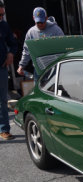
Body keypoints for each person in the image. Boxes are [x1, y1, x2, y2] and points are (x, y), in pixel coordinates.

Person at [17, 7, 64, 80]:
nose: (40, 24)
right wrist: (21, 66)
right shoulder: (31, 32)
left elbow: (63, 47)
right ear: (33, 18)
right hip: (39, 71)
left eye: (42, 22)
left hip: (55, 68)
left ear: (46, 18)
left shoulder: (56, 30)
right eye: (38, 22)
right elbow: (27, 51)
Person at [0, 2, 17, 140]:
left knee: (2, 100)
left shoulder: (4, 25)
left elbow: (12, 42)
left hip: (1, 68)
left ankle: (4, 129)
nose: (1, 17)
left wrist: (11, 53)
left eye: (2, 14)